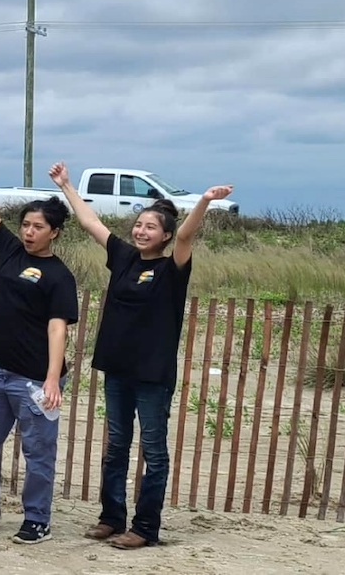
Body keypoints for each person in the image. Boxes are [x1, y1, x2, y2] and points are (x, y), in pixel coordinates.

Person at [51, 163, 231, 550]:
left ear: (164, 236)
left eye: (151, 227)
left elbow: (187, 234)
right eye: (139, 225)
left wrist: (203, 201)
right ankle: (111, 517)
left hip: (152, 374)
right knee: (116, 445)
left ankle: (146, 527)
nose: (141, 231)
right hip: (117, 368)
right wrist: (66, 185)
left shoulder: (172, 268)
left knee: (154, 451)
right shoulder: (125, 257)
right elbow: (90, 223)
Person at [0, 140, 79, 544]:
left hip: (34, 379)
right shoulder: (9, 250)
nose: (29, 232)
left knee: (38, 453)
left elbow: (57, 328)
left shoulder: (60, 276)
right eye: (26, 224)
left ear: (54, 233)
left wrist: (50, 379)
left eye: (38, 227)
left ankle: (37, 517)